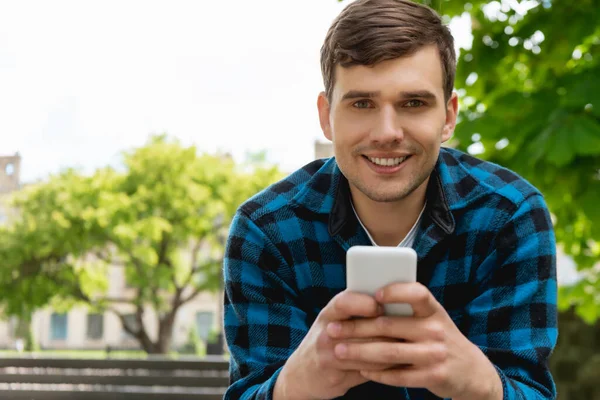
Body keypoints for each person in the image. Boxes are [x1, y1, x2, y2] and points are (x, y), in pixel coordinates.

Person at [222, 0, 557, 398]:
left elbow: (530, 389)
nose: (387, 132)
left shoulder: (510, 217)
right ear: (327, 116)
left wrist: (478, 382)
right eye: (362, 103)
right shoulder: (266, 230)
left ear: (448, 116)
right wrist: (292, 387)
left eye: (413, 103)